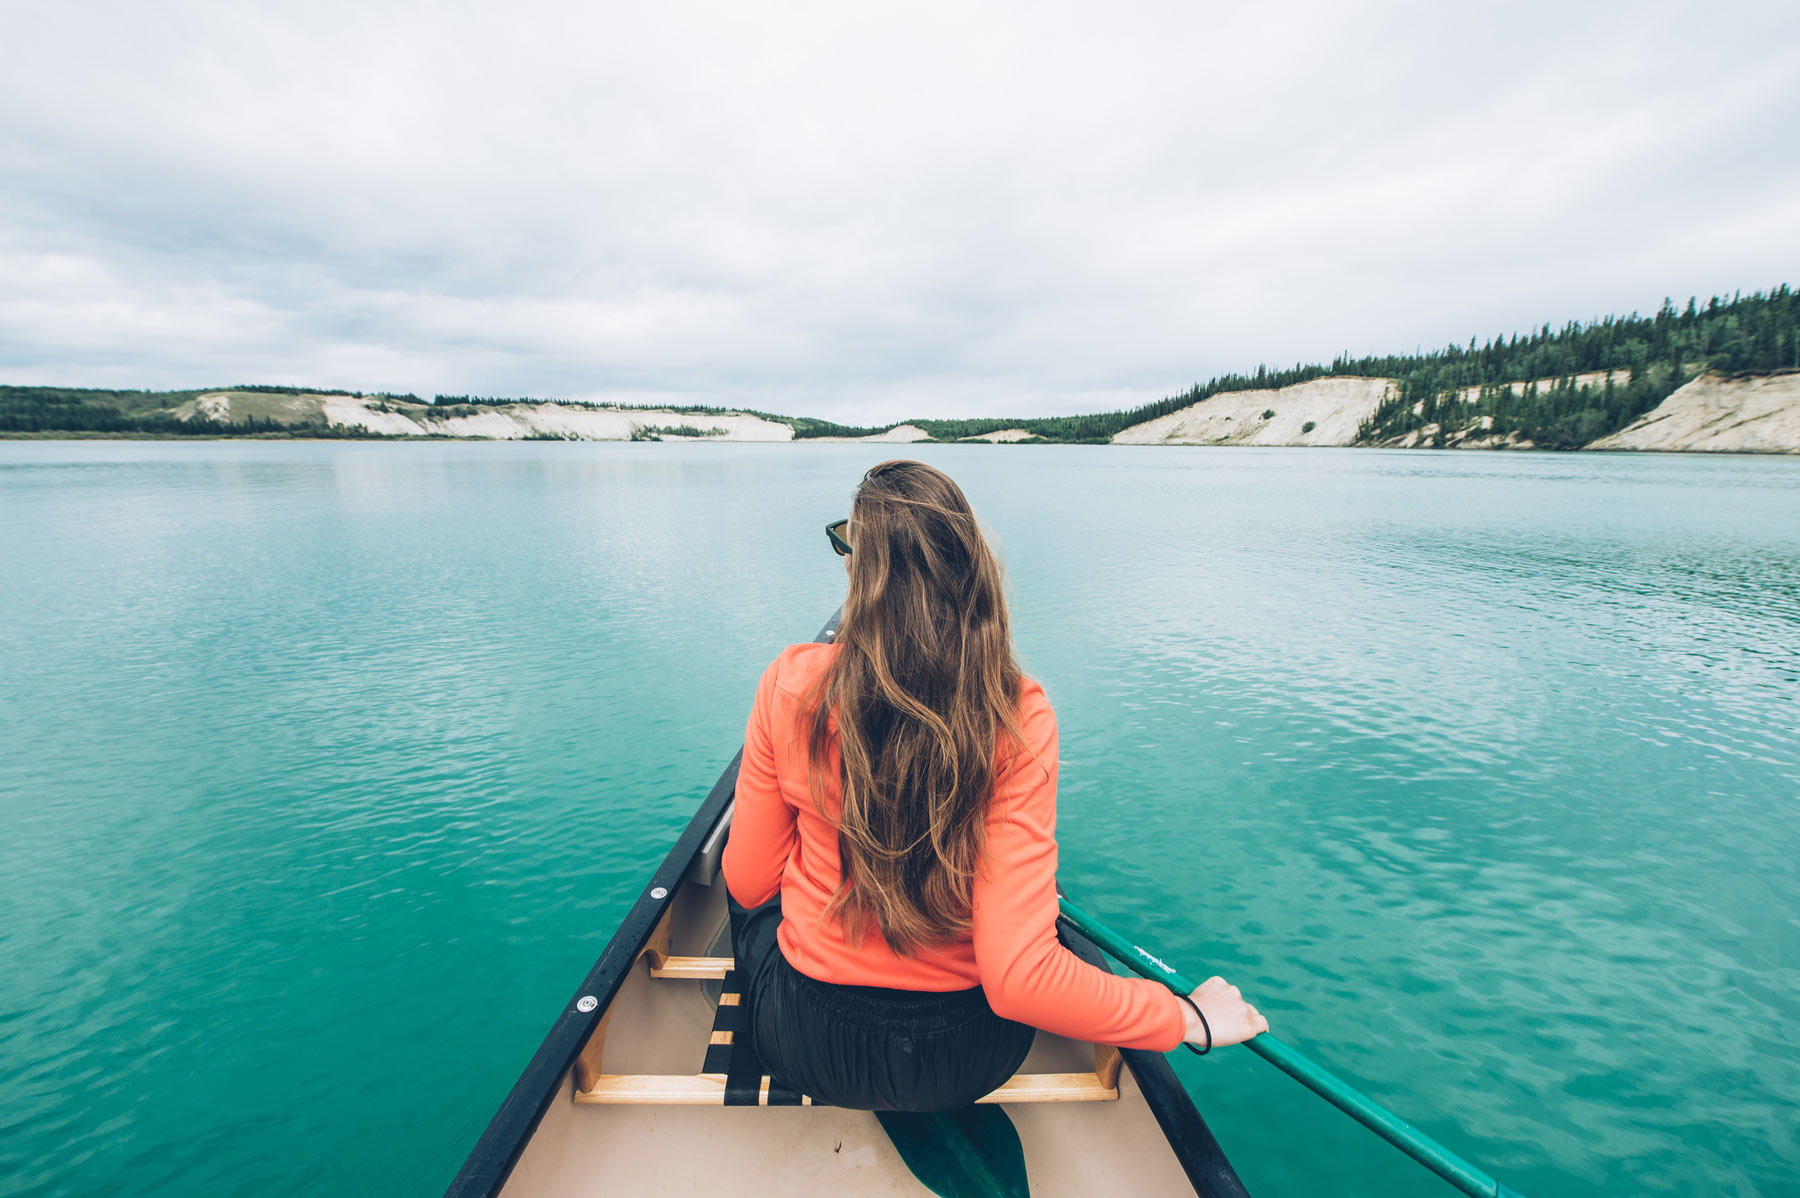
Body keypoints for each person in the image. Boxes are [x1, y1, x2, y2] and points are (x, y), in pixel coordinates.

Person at [722, 459, 1266, 1111]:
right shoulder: (1017, 714)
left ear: (856, 571)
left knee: (745, 903)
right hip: (969, 1056)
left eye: (848, 542)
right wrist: (1188, 1019)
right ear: (968, 569)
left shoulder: (789, 685)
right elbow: (1020, 981)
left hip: (810, 1043)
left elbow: (750, 882)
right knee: (1037, 900)